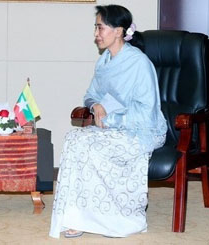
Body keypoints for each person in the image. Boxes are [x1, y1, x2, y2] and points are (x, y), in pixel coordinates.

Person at [49, 5, 167, 238]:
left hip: (142, 131)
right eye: (95, 27)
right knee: (74, 139)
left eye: (100, 28)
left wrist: (111, 119)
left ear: (119, 31)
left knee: (91, 146)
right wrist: (96, 106)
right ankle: (78, 217)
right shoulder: (104, 62)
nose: (96, 34)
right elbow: (90, 94)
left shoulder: (139, 63)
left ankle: (117, 218)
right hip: (113, 128)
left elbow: (148, 113)